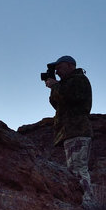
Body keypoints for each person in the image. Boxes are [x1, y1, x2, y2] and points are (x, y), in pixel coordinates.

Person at [44, 55, 93, 194]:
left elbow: (69, 97)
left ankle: (87, 203)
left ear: (71, 66)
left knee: (78, 169)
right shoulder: (67, 83)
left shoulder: (79, 80)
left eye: (59, 67)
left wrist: (55, 86)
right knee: (73, 170)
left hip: (77, 130)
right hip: (70, 132)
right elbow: (59, 105)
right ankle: (83, 203)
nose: (57, 71)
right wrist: (54, 88)